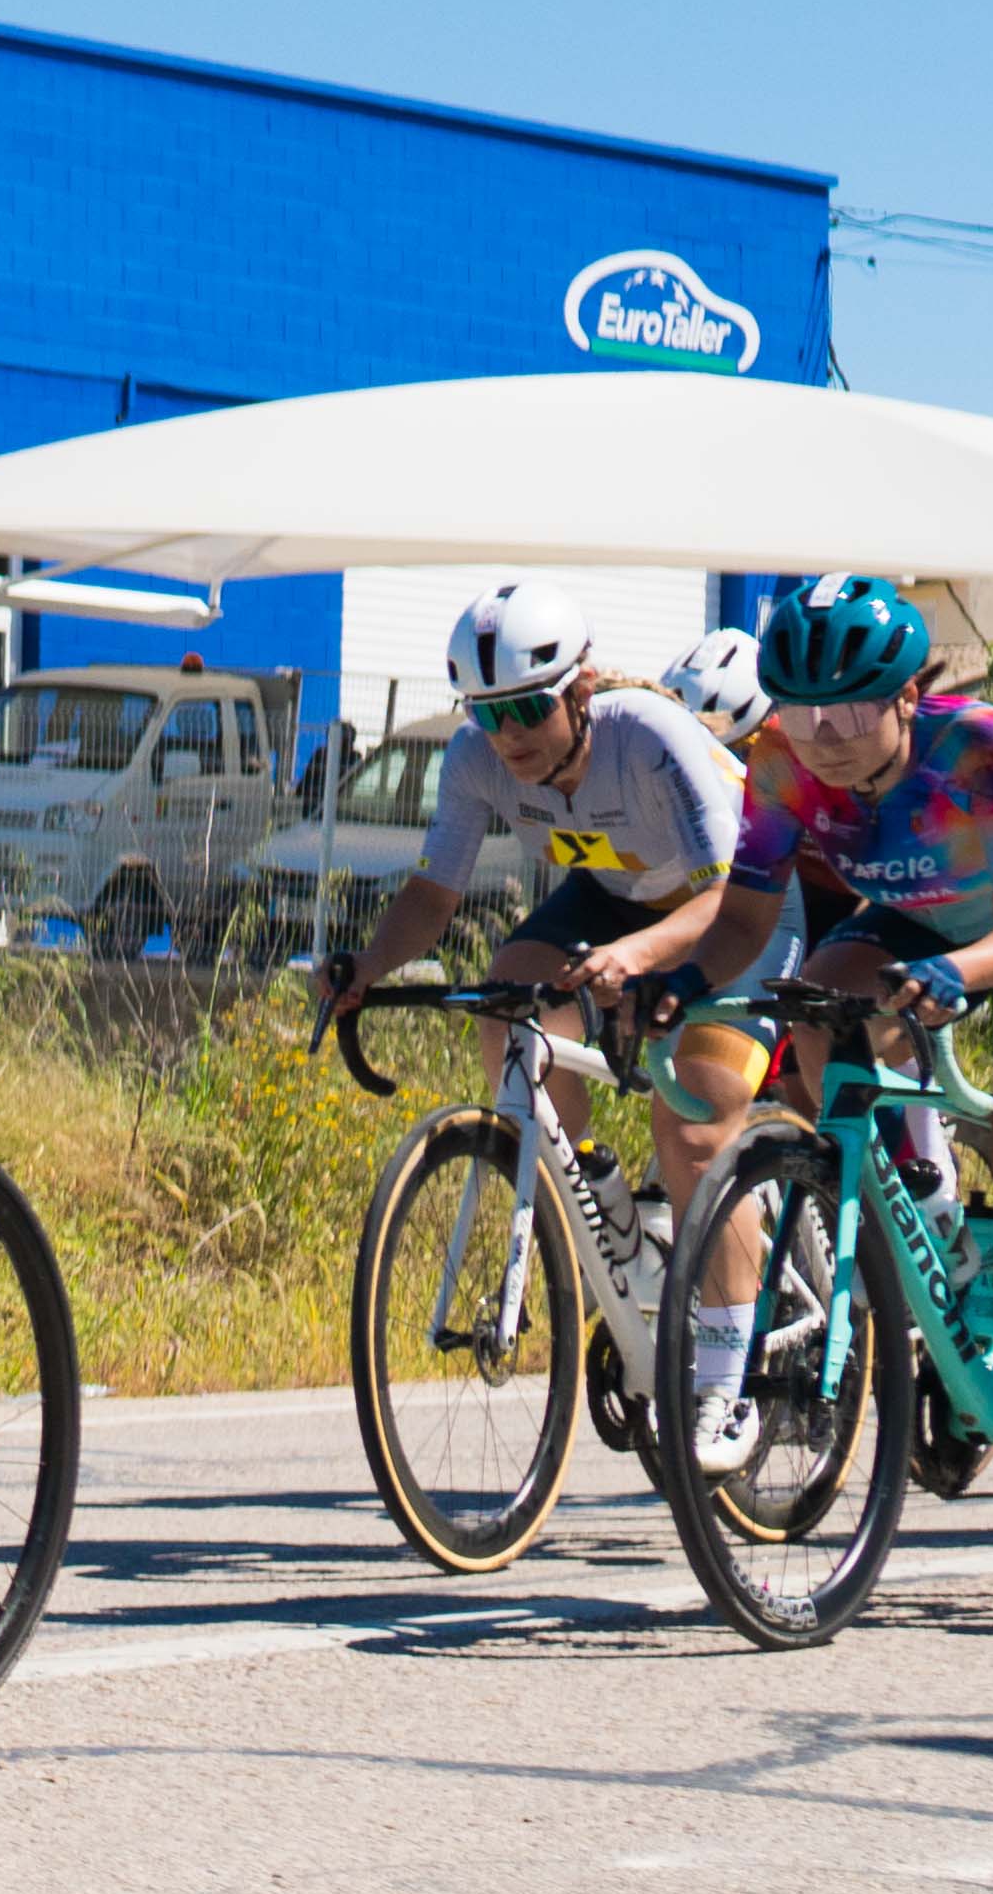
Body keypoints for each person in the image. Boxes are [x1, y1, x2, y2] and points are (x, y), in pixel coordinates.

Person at [701, 572, 993, 1542]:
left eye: (851, 708)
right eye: (802, 708)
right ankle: (925, 1211)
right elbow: (742, 917)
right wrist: (673, 987)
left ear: (908, 694)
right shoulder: (779, 759)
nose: (822, 732)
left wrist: (958, 972)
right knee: (815, 998)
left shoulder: (974, 745)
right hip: (915, 917)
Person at [324, 580, 782, 1462]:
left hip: (737, 906)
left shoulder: (645, 738)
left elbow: (726, 896)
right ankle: (602, 1194)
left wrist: (644, 958)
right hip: (616, 895)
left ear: (581, 690)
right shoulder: (475, 759)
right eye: (487, 714)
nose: (510, 737)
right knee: (508, 999)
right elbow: (432, 891)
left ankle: (728, 1390)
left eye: (530, 709)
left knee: (693, 1119)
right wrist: (367, 970)